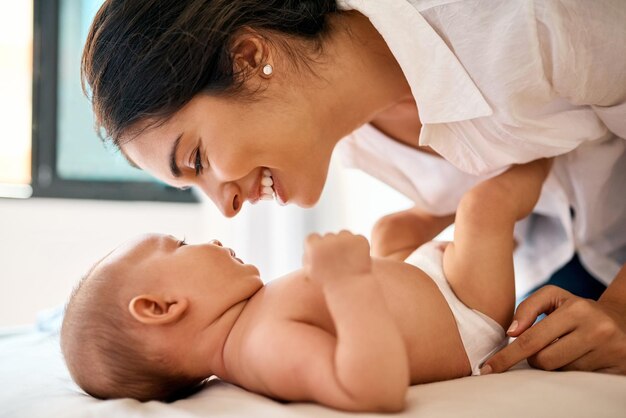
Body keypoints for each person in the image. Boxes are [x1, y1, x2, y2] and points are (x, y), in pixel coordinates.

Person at [81, 1, 626, 374]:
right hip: (582, 256)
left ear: (249, 59)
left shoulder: (521, 19)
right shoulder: (350, 139)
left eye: (196, 158)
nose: (225, 208)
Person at [61, 160, 550, 411]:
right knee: (483, 210)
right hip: (463, 313)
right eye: (180, 243)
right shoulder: (262, 348)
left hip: (423, 284)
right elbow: (373, 391)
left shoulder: (248, 325)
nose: (208, 238)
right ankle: (552, 147)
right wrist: (348, 282)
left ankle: (467, 180)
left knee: (390, 233)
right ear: (161, 306)